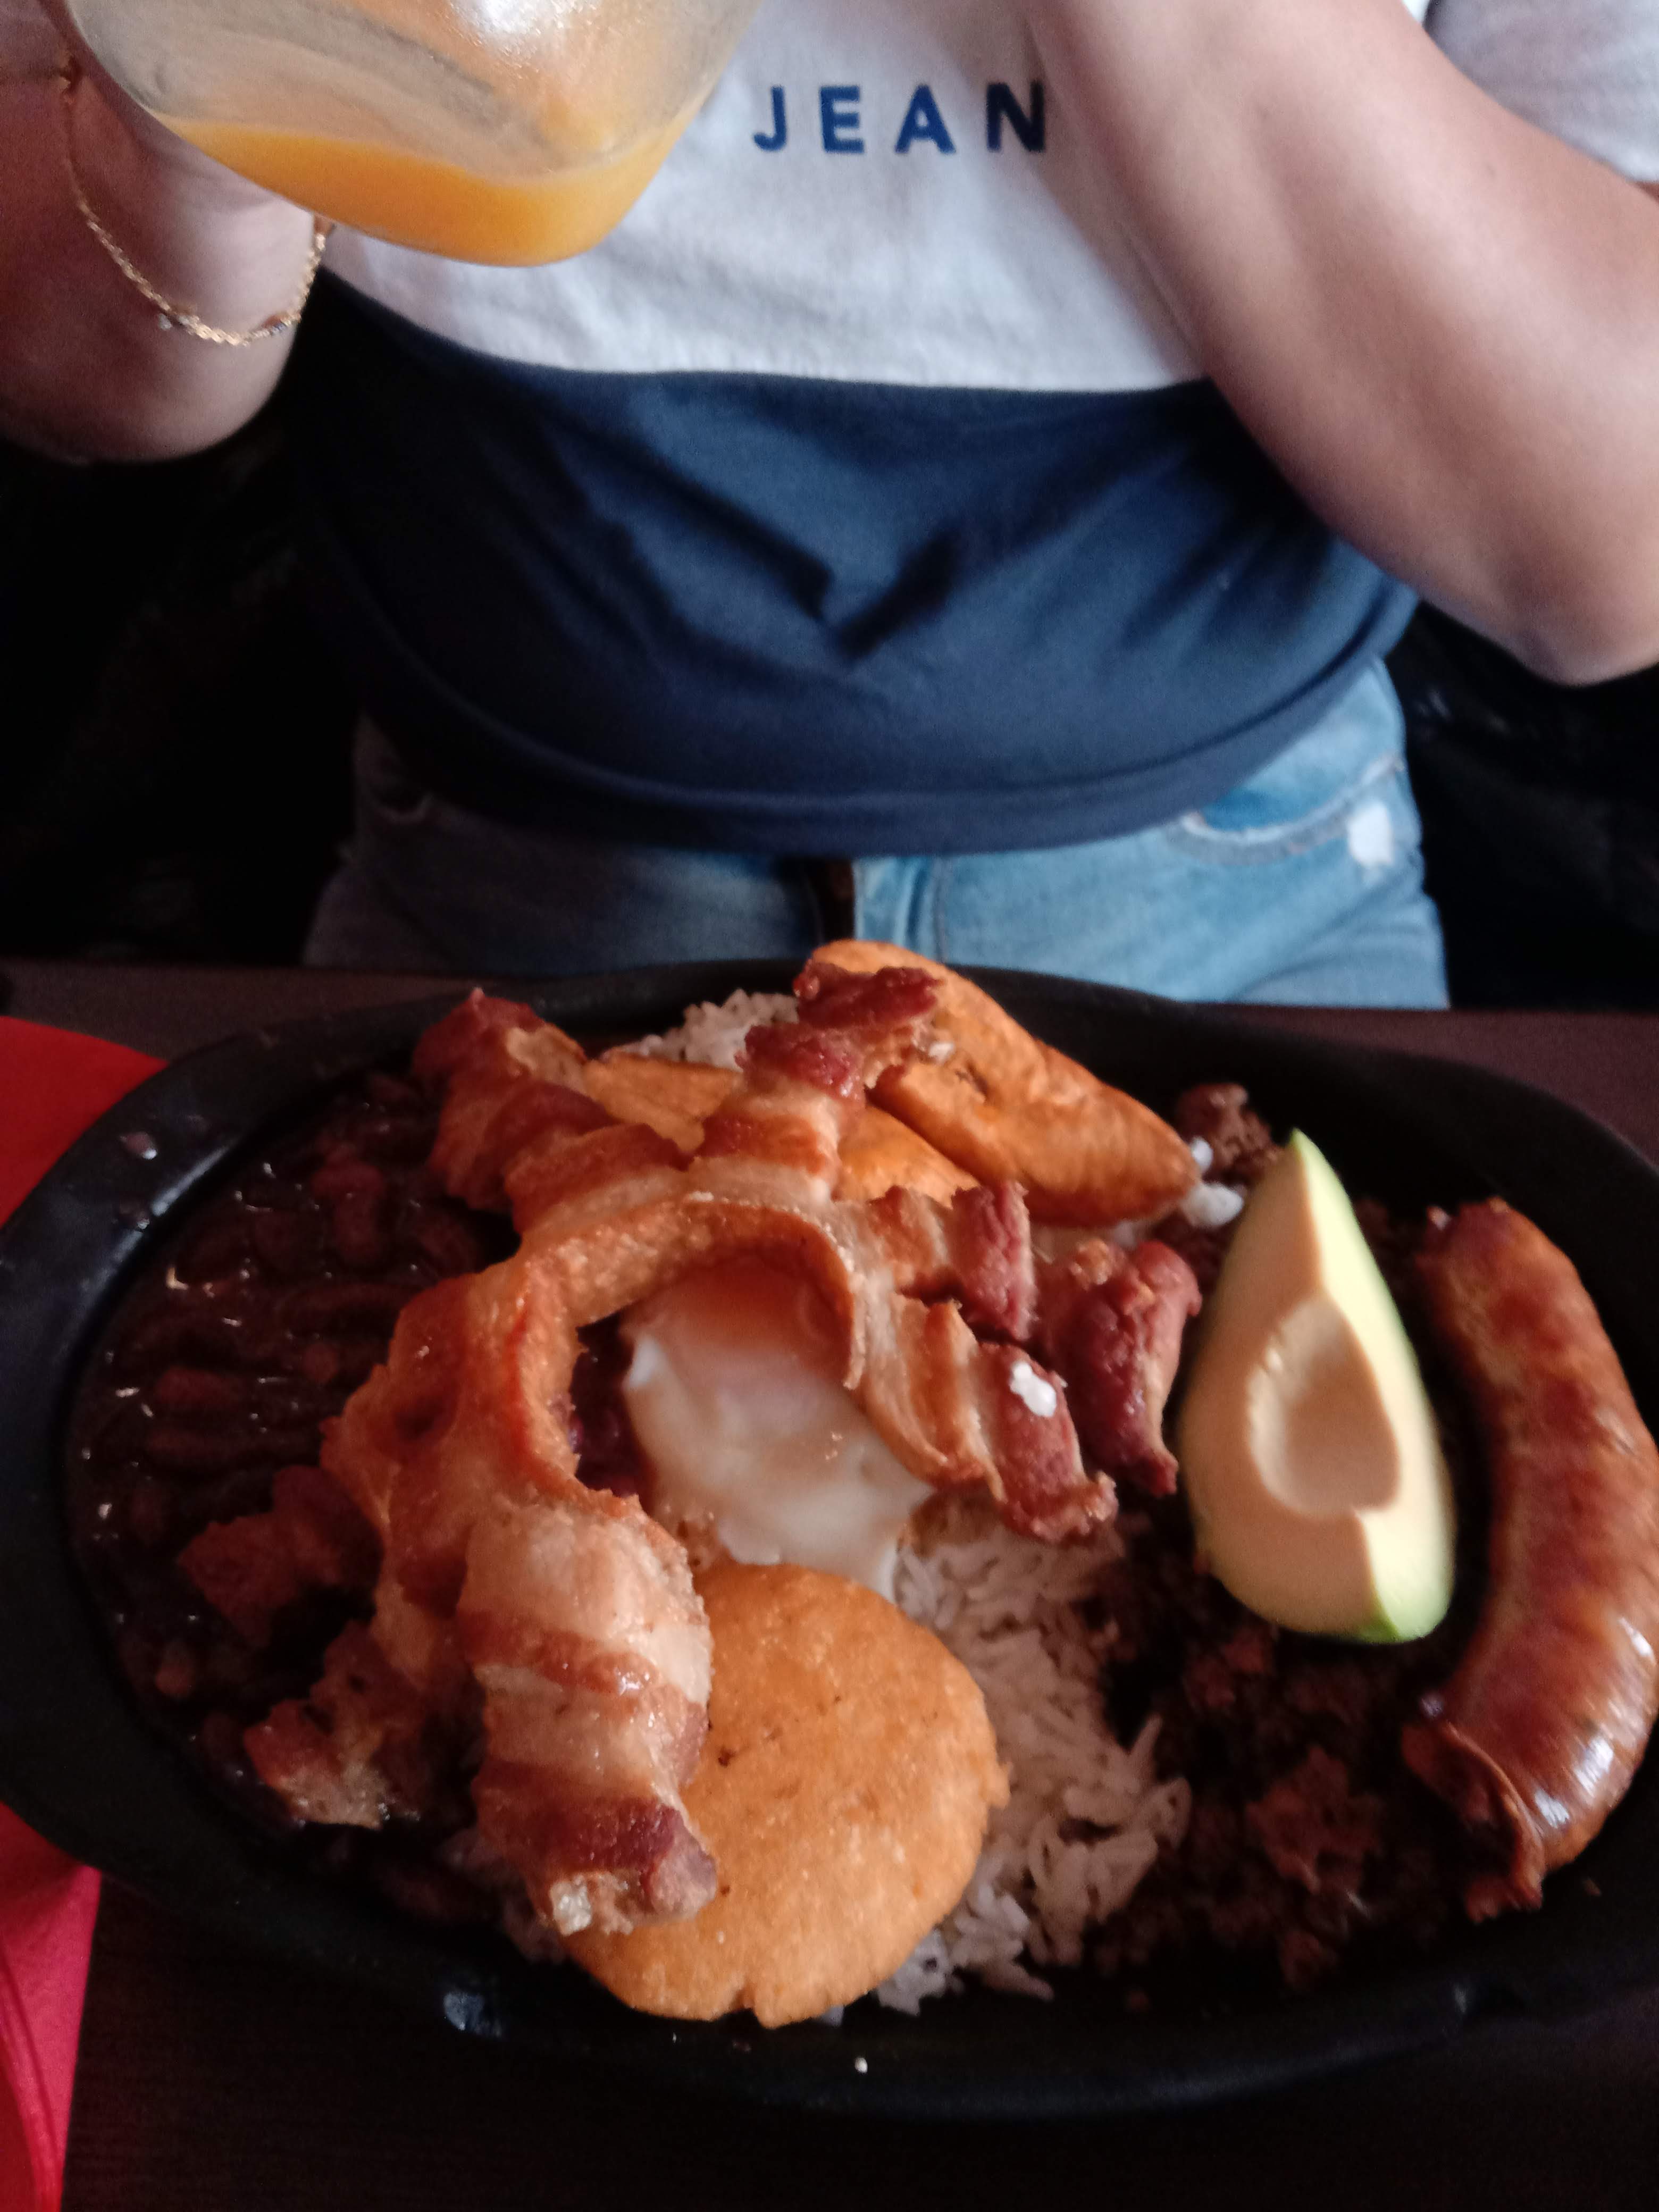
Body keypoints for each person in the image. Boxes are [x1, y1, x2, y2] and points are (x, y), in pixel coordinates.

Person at [3, 0, 1657, 1001]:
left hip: (1244, 911)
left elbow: (1604, 551)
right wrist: (199, 105)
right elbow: (64, 374)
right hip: (496, 915)